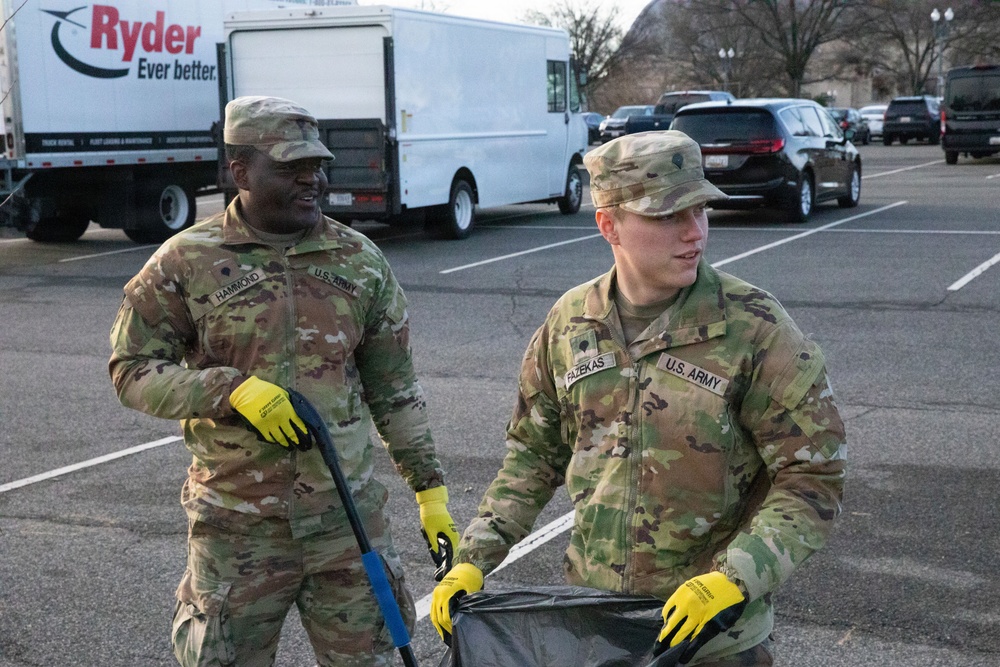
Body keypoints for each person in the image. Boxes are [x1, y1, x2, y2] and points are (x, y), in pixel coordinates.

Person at [430, 131, 847, 666]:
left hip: (714, 642)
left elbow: (812, 477)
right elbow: (534, 455)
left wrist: (735, 576)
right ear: (609, 225)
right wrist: (474, 557)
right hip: (597, 630)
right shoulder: (570, 324)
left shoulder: (754, 328)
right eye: (669, 216)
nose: (695, 233)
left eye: (700, 211)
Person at [109, 96, 460, 667]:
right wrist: (230, 391)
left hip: (347, 528)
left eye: (317, 165)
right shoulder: (186, 261)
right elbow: (131, 370)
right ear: (240, 171)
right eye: (290, 168)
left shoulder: (361, 262)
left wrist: (432, 493)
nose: (312, 180)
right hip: (236, 529)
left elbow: (394, 390)